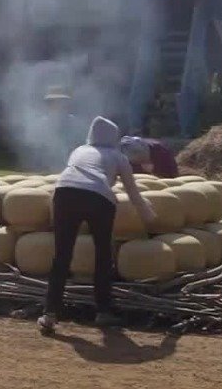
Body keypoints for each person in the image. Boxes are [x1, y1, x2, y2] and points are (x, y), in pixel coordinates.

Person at [38, 116, 157, 335]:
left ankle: (49, 313)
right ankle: (103, 311)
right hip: (98, 198)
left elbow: (71, 175)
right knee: (103, 254)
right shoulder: (119, 156)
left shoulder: (79, 150)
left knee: (62, 255)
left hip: (64, 193)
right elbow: (133, 194)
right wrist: (150, 218)